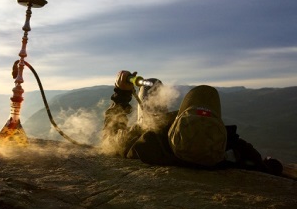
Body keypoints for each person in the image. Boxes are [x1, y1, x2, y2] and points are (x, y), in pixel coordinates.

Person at [102, 70, 283, 176]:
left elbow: (110, 139)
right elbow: (267, 167)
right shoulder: (235, 150)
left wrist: (121, 94)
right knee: (153, 86)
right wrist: (271, 165)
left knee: (152, 86)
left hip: (159, 132)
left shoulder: (149, 143)